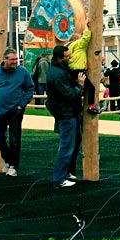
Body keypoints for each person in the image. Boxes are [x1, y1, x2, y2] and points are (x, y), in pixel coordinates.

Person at [0, 48, 35, 177]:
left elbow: (30, 88)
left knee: (14, 140)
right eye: (12, 59)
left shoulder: (22, 72)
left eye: (16, 59)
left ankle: (13, 166)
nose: (15, 62)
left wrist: (22, 105)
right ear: (5, 60)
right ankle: (9, 160)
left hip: (15, 112)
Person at [46, 45, 83, 188]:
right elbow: (69, 94)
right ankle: (59, 179)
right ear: (59, 58)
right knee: (66, 146)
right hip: (65, 113)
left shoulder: (59, 70)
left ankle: (66, 173)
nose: (70, 58)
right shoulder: (57, 74)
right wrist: (79, 86)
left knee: (74, 142)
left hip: (69, 112)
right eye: (67, 56)